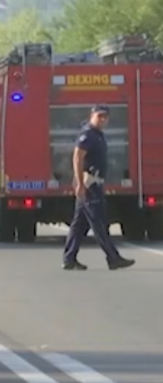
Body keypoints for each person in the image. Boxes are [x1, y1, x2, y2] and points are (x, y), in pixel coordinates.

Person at [62, 105, 135, 271]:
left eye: (105, 117)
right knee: (99, 222)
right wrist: (80, 183)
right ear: (92, 116)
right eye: (99, 116)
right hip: (89, 184)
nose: (102, 119)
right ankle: (113, 258)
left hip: (94, 182)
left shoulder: (97, 135)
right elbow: (77, 157)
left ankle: (69, 259)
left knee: (79, 224)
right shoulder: (87, 134)